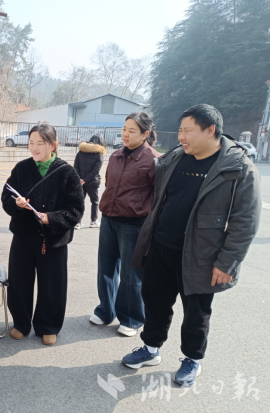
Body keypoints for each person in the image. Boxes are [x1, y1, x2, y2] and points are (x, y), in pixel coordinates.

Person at [123, 105, 262, 387]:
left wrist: (227, 263)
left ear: (210, 130)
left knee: (196, 311)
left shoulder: (237, 167)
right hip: (161, 246)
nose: (181, 137)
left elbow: (246, 221)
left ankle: (192, 359)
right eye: (180, 130)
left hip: (202, 255)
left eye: (187, 130)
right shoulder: (176, 158)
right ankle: (151, 348)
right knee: (155, 300)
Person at [1, 124, 84, 346]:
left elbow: (76, 209)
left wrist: (52, 218)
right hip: (23, 236)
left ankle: (48, 326)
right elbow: (6, 197)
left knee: (52, 285)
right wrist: (17, 204)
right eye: (31, 142)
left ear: (53, 145)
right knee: (19, 282)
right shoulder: (21, 168)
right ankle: (21, 323)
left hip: (53, 239)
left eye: (40, 143)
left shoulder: (67, 172)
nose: (34, 147)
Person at [90, 113, 161, 337]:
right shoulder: (116, 156)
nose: (125, 134)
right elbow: (110, 184)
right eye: (124, 129)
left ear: (145, 134)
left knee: (131, 275)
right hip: (109, 219)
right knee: (106, 268)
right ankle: (105, 310)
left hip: (134, 224)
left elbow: (159, 195)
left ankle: (131, 318)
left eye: (132, 130)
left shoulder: (154, 160)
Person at [74, 134, 106, 229]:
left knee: (80, 201)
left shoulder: (80, 152)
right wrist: (85, 180)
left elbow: (75, 167)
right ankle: (94, 221)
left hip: (80, 182)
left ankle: (77, 222)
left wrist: (80, 179)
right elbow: (95, 170)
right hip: (92, 182)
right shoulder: (99, 154)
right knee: (94, 201)